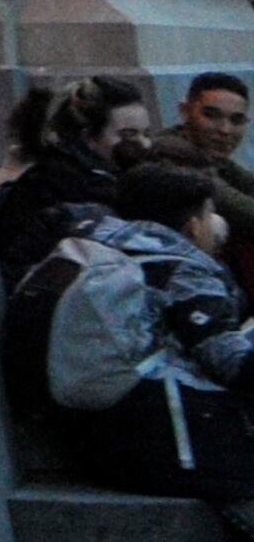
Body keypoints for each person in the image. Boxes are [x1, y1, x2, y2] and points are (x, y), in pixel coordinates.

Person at [43, 159, 254, 525]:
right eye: (210, 215)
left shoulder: (97, 240)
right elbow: (230, 362)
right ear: (192, 226)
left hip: (90, 433)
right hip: (168, 443)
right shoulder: (185, 268)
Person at [0, 74, 156, 286]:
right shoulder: (64, 183)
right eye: (128, 135)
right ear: (88, 136)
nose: (144, 144)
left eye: (146, 133)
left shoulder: (103, 176)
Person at [145, 73, 254, 252]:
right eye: (211, 116)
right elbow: (234, 205)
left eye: (236, 120)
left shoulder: (211, 157)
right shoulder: (170, 153)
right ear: (185, 111)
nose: (225, 130)